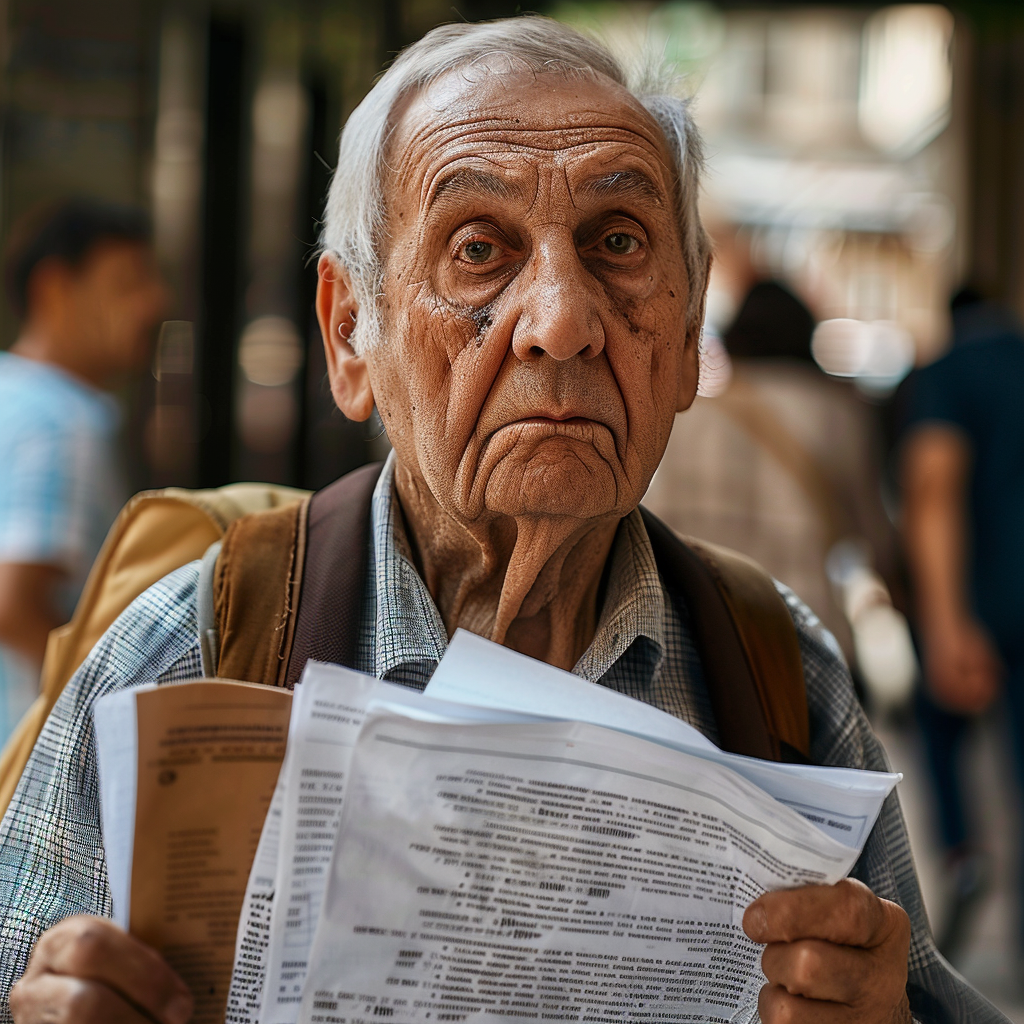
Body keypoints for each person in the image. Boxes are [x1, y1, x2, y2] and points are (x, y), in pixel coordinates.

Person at [0, 18, 1005, 1024]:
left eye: (618, 243)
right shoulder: (187, 654)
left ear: (689, 332)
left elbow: (917, 996)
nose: (562, 320)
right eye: (479, 249)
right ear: (351, 332)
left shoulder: (781, 671)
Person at [645, 279, 899, 666]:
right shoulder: (835, 414)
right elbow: (871, 533)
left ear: (735, 339)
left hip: (697, 630)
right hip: (801, 634)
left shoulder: (687, 417)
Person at [0, 199, 167, 743]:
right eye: (127, 283)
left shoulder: (13, 394)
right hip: (24, 765)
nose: (154, 303)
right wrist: (111, 721)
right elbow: (15, 604)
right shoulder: (62, 421)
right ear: (54, 289)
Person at [900, 288, 1024, 956]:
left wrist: (945, 622)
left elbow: (933, 485)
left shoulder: (951, 372)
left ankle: (962, 850)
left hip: (985, 600)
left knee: (939, 726)